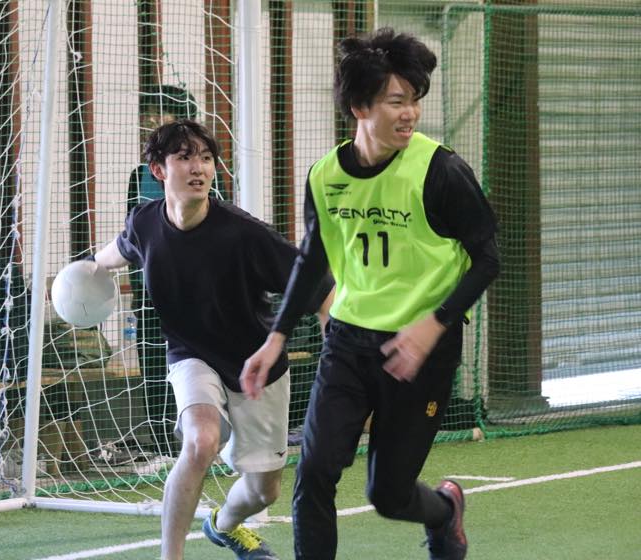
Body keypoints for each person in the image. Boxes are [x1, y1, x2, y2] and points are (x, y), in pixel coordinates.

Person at [241, 28, 500, 560]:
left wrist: (434, 323)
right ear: (360, 107)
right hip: (348, 342)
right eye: (396, 102)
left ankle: (444, 512)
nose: (410, 114)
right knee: (314, 471)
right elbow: (313, 260)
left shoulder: (442, 171)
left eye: (415, 101)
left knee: (388, 494)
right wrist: (277, 337)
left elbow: (488, 259)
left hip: (421, 351)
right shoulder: (325, 176)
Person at [92, 119, 333, 560]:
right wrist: (87, 271)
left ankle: (224, 526)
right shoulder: (145, 222)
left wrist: (335, 346)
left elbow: (319, 284)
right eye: (184, 158)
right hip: (191, 355)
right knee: (201, 441)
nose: (199, 168)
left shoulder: (244, 234)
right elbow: (117, 251)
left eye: (205, 158)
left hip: (256, 365)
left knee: (264, 491)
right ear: (159, 170)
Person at [128, 85, 199, 457]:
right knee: (154, 366)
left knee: (195, 366)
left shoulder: (205, 172)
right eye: (146, 114)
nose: (150, 121)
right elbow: (132, 235)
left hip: (196, 290)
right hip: (150, 292)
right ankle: (159, 440)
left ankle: (198, 437)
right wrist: (138, 290)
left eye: (159, 114)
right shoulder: (139, 175)